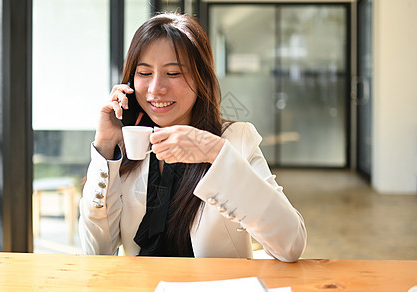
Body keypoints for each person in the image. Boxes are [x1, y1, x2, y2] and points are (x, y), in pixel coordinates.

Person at [79, 12, 306, 262]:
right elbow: (95, 252)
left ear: (201, 79)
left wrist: (215, 153)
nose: (156, 89)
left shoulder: (236, 139)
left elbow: (290, 245)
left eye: (173, 73)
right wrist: (104, 147)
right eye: (144, 73)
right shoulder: (127, 145)